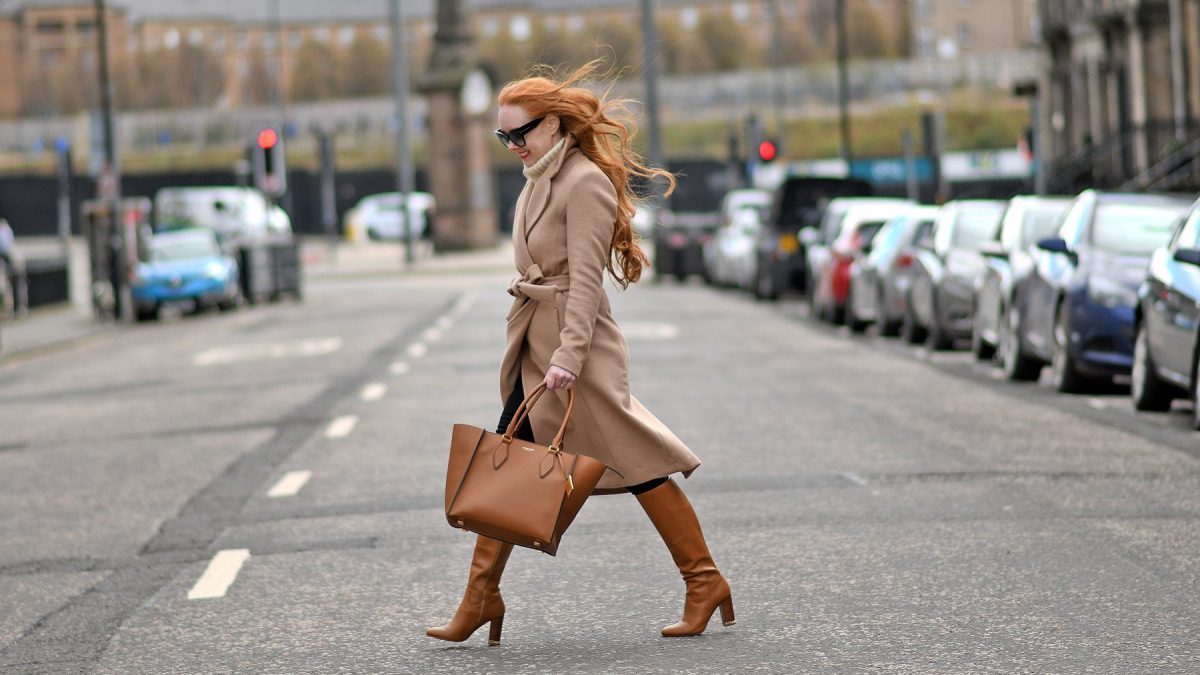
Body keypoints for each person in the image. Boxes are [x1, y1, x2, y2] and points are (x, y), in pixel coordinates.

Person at [426, 63, 734, 645]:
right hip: (535, 343)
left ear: (555, 123)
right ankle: (481, 596)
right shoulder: (538, 178)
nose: (513, 145)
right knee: (508, 456)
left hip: (575, 351)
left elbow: (587, 281)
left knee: (636, 462)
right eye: (504, 137)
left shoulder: (583, 181)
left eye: (522, 133)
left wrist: (568, 355)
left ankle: (703, 580)